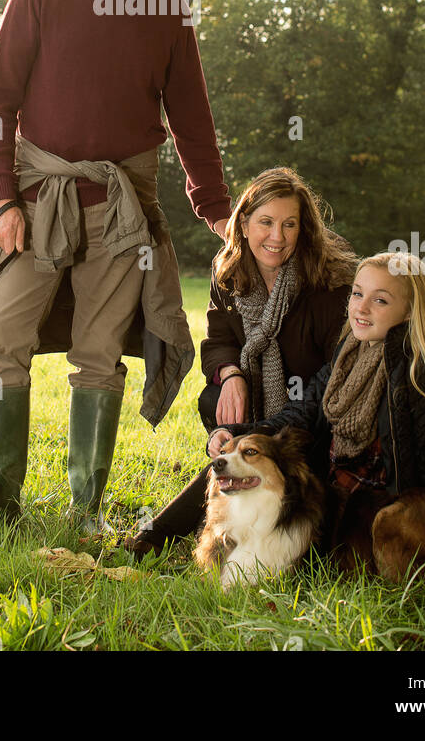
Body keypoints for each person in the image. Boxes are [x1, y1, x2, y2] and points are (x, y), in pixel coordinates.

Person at [0, 0, 232, 531]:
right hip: (36, 203)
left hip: (121, 208)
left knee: (98, 353)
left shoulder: (167, 7)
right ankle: (1, 498)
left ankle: (84, 509)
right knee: (2, 338)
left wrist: (216, 206)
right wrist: (1, 199)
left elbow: (192, 119)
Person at [124, 167, 355, 555]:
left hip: (318, 409)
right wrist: (231, 374)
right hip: (261, 403)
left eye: (290, 224)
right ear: (244, 224)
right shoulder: (228, 271)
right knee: (213, 398)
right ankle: (233, 476)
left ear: (304, 230)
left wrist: (267, 427)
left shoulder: (328, 281)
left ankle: (154, 536)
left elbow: (334, 373)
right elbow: (217, 341)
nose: (277, 237)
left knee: (247, 446)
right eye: (266, 222)